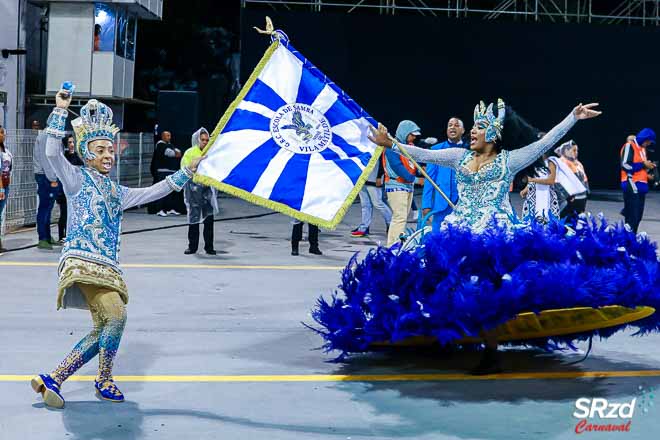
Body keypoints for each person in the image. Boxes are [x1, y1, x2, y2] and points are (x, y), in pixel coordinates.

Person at [313, 100, 606, 375]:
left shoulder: (509, 161)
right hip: (459, 231)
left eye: (478, 128)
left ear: (493, 134)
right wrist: (391, 143)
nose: (473, 132)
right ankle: (442, 336)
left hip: (494, 235)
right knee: (440, 282)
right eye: (473, 128)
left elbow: (545, 142)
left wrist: (573, 117)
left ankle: (491, 352)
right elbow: (423, 155)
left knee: (490, 293)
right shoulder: (459, 157)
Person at [31, 88, 203, 409]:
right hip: (82, 262)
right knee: (117, 315)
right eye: (100, 149)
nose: (108, 155)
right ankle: (101, 378)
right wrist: (58, 112)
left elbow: (152, 192)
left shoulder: (116, 190)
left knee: (106, 324)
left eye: (111, 149)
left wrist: (186, 173)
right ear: (86, 152)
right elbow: (53, 154)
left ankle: (56, 377)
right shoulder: (76, 178)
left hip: (107, 267)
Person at [422, 117, 467, 230]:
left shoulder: (470, 150)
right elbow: (429, 179)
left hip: (463, 204)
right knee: (438, 237)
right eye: (450, 125)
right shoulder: (436, 149)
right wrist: (426, 204)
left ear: (463, 130)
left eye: (457, 125)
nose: (452, 127)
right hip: (441, 203)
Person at [383, 120, 421, 246]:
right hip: (396, 186)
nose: (414, 137)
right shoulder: (391, 147)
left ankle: (394, 244)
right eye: (412, 134)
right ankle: (393, 246)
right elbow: (398, 167)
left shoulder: (407, 147)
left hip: (408, 187)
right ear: (404, 132)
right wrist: (415, 179)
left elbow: (413, 165)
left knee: (401, 218)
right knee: (399, 217)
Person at [181, 128, 218, 255]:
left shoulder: (212, 153)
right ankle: (192, 246)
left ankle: (209, 247)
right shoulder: (190, 152)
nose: (205, 142)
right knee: (193, 219)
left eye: (207, 140)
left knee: (209, 220)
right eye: (203, 140)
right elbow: (184, 169)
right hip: (193, 190)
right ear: (197, 140)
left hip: (207, 191)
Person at [620, 129, 657, 233]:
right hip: (631, 184)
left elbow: (640, 168)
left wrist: (647, 174)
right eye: (648, 141)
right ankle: (627, 243)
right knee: (632, 217)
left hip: (641, 186)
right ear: (644, 138)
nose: (649, 144)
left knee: (637, 218)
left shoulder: (642, 149)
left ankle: (631, 241)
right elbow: (625, 165)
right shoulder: (629, 146)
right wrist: (643, 165)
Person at [33, 119, 62, 250]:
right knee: (44, 208)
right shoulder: (46, 137)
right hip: (46, 176)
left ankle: (47, 236)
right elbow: (47, 159)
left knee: (48, 208)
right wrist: (53, 178)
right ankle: (43, 238)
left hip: (48, 175)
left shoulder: (51, 136)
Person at [350, 154, 391, 237]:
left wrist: (379, 176)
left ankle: (391, 223)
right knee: (365, 205)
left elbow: (383, 162)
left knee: (378, 203)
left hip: (374, 178)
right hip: (361, 178)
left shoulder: (377, 144)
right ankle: (364, 227)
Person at [56, 135, 84, 243]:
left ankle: (72, 235)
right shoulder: (64, 158)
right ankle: (61, 236)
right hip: (64, 190)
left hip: (76, 190)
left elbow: (81, 167)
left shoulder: (76, 156)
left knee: (75, 214)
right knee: (64, 213)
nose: (72, 145)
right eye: (69, 143)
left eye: (73, 142)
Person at [520, 150, 559, 222]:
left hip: (547, 196)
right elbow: (532, 179)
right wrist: (526, 189)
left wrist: (533, 180)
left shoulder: (550, 163)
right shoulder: (535, 163)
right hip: (534, 196)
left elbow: (551, 181)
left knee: (546, 221)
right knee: (531, 222)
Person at [150, 131, 183, 217]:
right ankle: (159, 209)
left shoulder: (170, 145)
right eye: (167, 135)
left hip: (171, 171)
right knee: (162, 191)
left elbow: (179, 153)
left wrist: (176, 153)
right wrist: (175, 153)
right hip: (163, 171)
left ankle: (169, 208)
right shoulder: (160, 145)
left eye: (170, 135)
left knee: (171, 191)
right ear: (162, 136)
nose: (169, 137)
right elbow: (173, 153)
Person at [555, 140, 589, 222]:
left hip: (581, 198)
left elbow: (585, 179)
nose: (576, 152)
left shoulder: (578, 164)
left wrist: (587, 191)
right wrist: (567, 196)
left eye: (577, 150)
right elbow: (558, 183)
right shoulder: (560, 163)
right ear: (566, 151)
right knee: (567, 221)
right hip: (569, 199)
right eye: (574, 150)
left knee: (578, 221)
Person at [0, 126, 13, 252]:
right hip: (1, 185)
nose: (3, 135)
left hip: (6, 182)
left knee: (1, 215)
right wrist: (1, 189)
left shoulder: (5, 149)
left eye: (4, 133)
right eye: (1, 133)